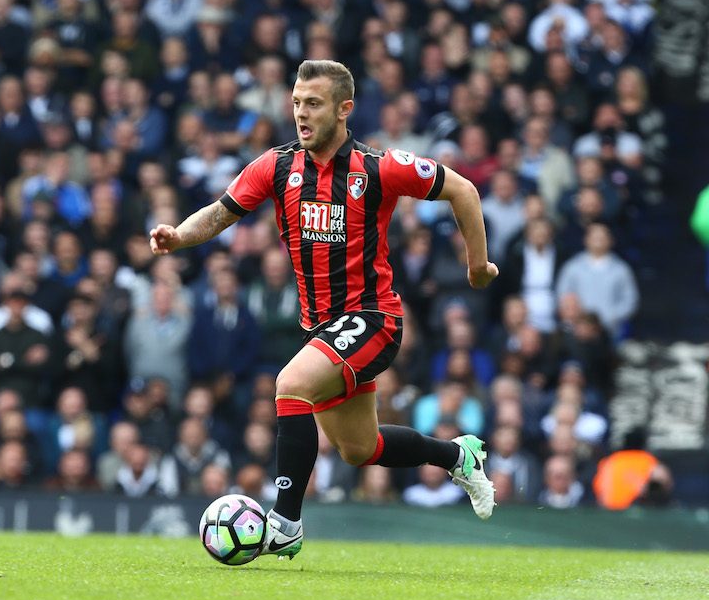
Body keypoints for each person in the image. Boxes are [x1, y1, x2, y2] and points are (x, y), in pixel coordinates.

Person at [149, 60, 499, 560]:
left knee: (290, 385)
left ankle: (285, 522)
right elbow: (221, 212)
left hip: (374, 319)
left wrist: (478, 265)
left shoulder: (378, 167)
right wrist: (180, 235)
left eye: (313, 103)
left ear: (343, 109)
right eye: (296, 103)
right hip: (323, 328)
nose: (300, 113)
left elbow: (462, 189)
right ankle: (456, 456)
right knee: (360, 448)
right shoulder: (276, 166)